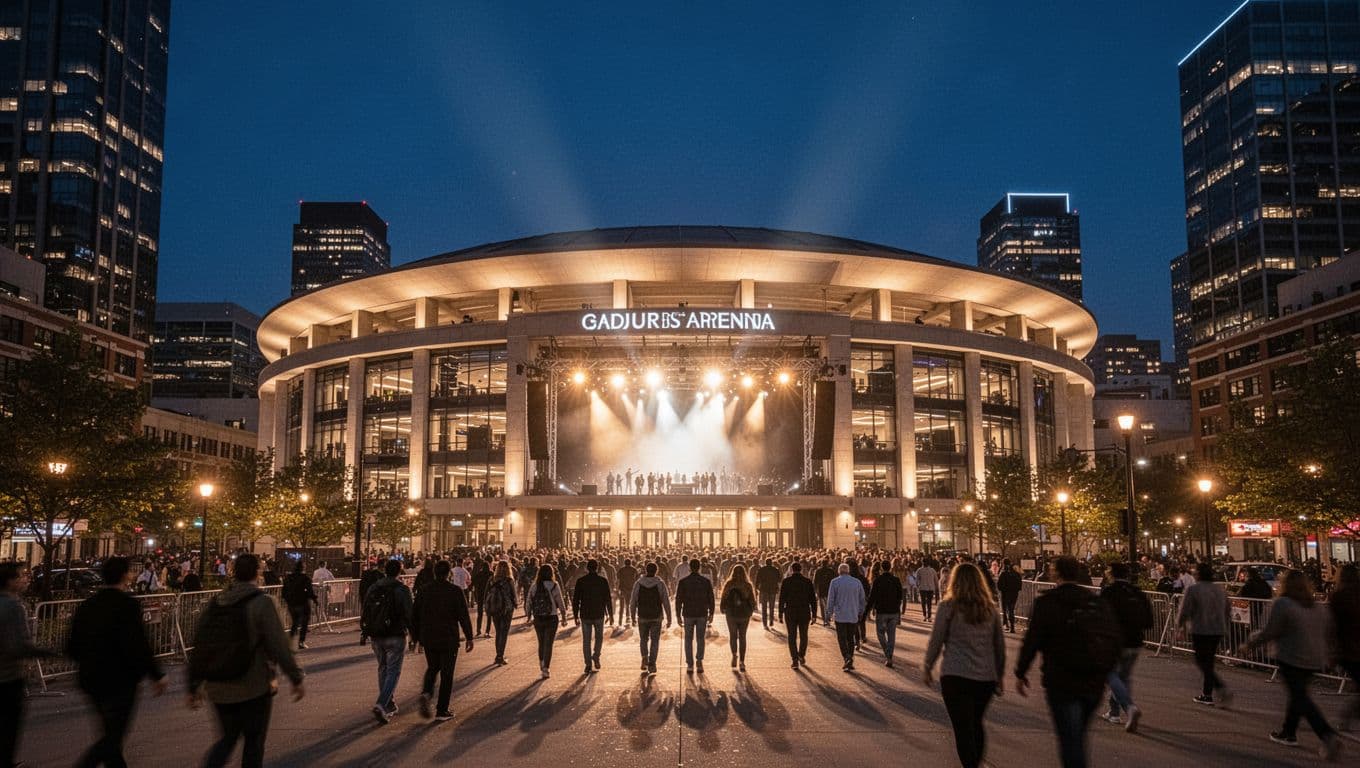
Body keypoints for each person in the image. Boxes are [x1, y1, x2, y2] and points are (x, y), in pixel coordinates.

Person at [187, 554, 304, 768]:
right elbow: (279, 644)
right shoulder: (262, 602)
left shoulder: (216, 602)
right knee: (254, 742)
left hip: (218, 685)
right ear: (258, 573)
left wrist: (193, 684)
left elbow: (200, 644)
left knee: (227, 738)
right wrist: (295, 677)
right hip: (253, 684)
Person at [1014, 555, 1119, 768]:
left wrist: (1021, 671)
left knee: (1070, 739)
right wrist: (1106, 669)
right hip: (1093, 679)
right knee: (1077, 734)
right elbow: (1114, 637)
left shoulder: (1047, 602)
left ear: (1055, 572)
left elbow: (1033, 639)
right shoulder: (1095, 601)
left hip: (1061, 677)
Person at [69, 556, 168, 768]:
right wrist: (156, 674)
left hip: (92, 676)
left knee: (111, 733)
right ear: (125, 575)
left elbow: (72, 644)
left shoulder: (87, 605)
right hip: (120, 679)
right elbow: (137, 643)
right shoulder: (127, 605)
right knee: (113, 736)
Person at [1242, 570, 1343, 759]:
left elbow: (1271, 631)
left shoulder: (1284, 604)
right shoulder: (1317, 607)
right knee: (1298, 694)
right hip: (1314, 657)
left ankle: (1326, 734)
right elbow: (1329, 631)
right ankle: (1288, 731)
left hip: (1291, 655)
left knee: (1300, 697)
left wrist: (1250, 644)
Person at [922, 563, 1005, 768]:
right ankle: (975, 763)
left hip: (955, 674)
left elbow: (937, 638)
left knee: (962, 727)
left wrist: (928, 665)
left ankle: (970, 765)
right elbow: (999, 646)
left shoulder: (948, 606)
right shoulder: (990, 609)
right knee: (976, 723)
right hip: (985, 676)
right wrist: (999, 675)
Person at [410, 560, 473, 723]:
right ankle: (442, 709)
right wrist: (469, 636)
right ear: (449, 574)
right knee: (447, 673)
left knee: (433, 667)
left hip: (429, 636)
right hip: (448, 636)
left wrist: (415, 637)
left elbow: (415, 615)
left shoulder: (425, 591)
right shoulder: (455, 591)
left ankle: (427, 692)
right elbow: (463, 616)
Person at [1099, 561, 1152, 732]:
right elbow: (1149, 620)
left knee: (1110, 674)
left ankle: (1129, 707)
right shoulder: (1137, 592)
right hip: (1135, 641)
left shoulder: (1108, 592)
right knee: (1124, 677)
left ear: (1111, 573)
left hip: (1115, 640)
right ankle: (1114, 712)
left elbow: (1099, 615)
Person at [361, 559, 413, 724]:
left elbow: (366, 609)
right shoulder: (402, 589)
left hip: (376, 634)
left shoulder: (374, 587)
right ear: (400, 571)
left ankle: (388, 703)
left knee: (382, 667)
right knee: (393, 671)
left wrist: (365, 630)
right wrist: (414, 635)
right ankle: (382, 703)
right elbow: (409, 614)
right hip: (395, 633)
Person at [1176, 562, 1232, 707]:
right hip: (1217, 629)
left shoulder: (1193, 589)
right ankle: (1207, 694)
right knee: (1209, 661)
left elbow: (1184, 610)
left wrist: (1179, 626)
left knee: (1202, 662)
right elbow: (1227, 609)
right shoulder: (1220, 590)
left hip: (1201, 629)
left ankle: (1218, 687)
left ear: (1198, 574)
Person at [1331, 564, 1360, 730]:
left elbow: (1333, 625)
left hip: (1348, 647)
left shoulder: (1338, 596)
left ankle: (1347, 714)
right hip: (1351, 647)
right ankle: (1347, 714)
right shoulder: (1344, 596)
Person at [572, 559, 613, 675]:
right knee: (599, 637)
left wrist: (575, 615)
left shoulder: (581, 581)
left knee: (586, 640)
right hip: (599, 613)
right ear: (597, 568)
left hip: (585, 613)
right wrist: (610, 614)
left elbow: (576, 600)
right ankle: (596, 655)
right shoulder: (603, 581)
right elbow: (608, 599)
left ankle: (588, 664)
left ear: (587, 568)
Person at [631, 562, 672, 675]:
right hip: (656, 615)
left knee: (643, 639)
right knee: (655, 640)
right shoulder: (660, 583)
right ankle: (652, 663)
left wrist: (632, 615)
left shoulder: (638, 583)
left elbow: (633, 600)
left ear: (645, 570)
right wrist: (669, 617)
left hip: (642, 615)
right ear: (656, 571)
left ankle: (644, 657)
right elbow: (666, 601)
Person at [526, 563, 567, 679]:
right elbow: (560, 601)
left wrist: (528, 615)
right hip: (551, 616)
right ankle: (546, 668)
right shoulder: (554, 585)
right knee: (549, 643)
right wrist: (564, 616)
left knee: (541, 642)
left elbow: (528, 601)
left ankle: (541, 662)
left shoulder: (535, 586)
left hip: (538, 617)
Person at [675, 558, 715, 673]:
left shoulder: (683, 582)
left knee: (688, 639)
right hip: (702, 612)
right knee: (700, 638)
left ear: (689, 568)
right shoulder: (705, 582)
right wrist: (711, 613)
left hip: (688, 613)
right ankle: (699, 661)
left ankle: (690, 664)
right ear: (700, 568)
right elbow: (711, 598)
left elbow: (679, 600)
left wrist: (678, 615)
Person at [825, 563, 867, 672]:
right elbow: (862, 598)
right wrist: (861, 611)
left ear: (839, 571)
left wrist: (829, 612)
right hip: (853, 614)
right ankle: (850, 657)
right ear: (848, 571)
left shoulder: (834, 582)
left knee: (841, 638)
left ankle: (846, 657)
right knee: (850, 638)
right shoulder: (856, 582)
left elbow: (831, 599)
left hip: (840, 615)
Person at [778, 561, 817, 669]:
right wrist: (814, 614)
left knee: (792, 636)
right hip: (804, 611)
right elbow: (813, 599)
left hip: (790, 612)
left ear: (791, 569)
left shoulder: (786, 581)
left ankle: (794, 659)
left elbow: (782, 598)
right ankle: (801, 654)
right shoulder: (807, 582)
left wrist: (780, 613)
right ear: (801, 569)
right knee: (804, 635)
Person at [865, 560, 904, 667]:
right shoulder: (896, 580)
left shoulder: (877, 580)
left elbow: (872, 597)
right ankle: (889, 656)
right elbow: (900, 596)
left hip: (881, 611)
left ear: (882, 568)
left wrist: (866, 611)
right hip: (893, 611)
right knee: (892, 635)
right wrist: (898, 610)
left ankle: (887, 654)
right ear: (890, 567)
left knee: (880, 634)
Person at [719, 564, 756, 671]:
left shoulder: (729, 584)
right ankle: (742, 662)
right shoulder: (747, 585)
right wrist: (751, 610)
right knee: (743, 636)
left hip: (731, 613)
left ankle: (734, 654)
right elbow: (752, 601)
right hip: (744, 613)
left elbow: (724, 596)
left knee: (733, 635)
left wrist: (722, 607)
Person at [482, 561, 518, 665]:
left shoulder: (492, 579)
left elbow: (486, 594)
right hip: (507, 609)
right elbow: (514, 595)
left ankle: (498, 654)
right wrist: (515, 603)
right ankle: (500, 656)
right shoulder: (509, 580)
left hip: (495, 608)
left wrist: (487, 606)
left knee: (498, 631)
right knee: (504, 632)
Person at [281, 561, 318, 649]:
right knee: (304, 623)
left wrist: (286, 599)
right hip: (303, 603)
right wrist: (314, 599)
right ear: (303, 568)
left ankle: (289, 640)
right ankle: (301, 641)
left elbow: (284, 590)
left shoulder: (289, 578)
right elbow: (309, 591)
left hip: (292, 603)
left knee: (295, 622)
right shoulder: (305, 578)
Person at [755, 558, 782, 630]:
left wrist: (756, 587)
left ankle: (764, 623)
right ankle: (771, 620)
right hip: (773, 589)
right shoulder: (775, 570)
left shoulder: (761, 569)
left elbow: (757, 579)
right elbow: (779, 579)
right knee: (771, 606)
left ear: (765, 563)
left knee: (764, 607)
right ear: (771, 563)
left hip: (764, 589)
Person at [997, 560, 1022, 633]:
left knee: (1006, 610)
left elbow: (999, 585)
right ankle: (1012, 627)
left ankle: (1008, 625)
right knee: (1011, 609)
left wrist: (1004, 589)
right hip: (1014, 594)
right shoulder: (1016, 574)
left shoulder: (1003, 573)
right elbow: (1019, 585)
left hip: (1005, 594)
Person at [616, 558, 639, 627]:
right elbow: (637, 579)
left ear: (624, 563)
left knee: (622, 605)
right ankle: (633, 619)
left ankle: (620, 621)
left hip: (623, 589)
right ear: (630, 563)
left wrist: (617, 589)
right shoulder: (634, 569)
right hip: (632, 589)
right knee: (632, 605)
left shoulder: (621, 570)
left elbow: (618, 580)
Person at [813, 560, 835, 626]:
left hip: (821, 591)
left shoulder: (818, 571)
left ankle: (824, 619)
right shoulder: (831, 571)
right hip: (829, 590)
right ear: (827, 564)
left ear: (821, 564)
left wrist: (815, 590)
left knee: (822, 606)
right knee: (829, 605)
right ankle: (827, 619)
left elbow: (815, 581)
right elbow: (834, 580)